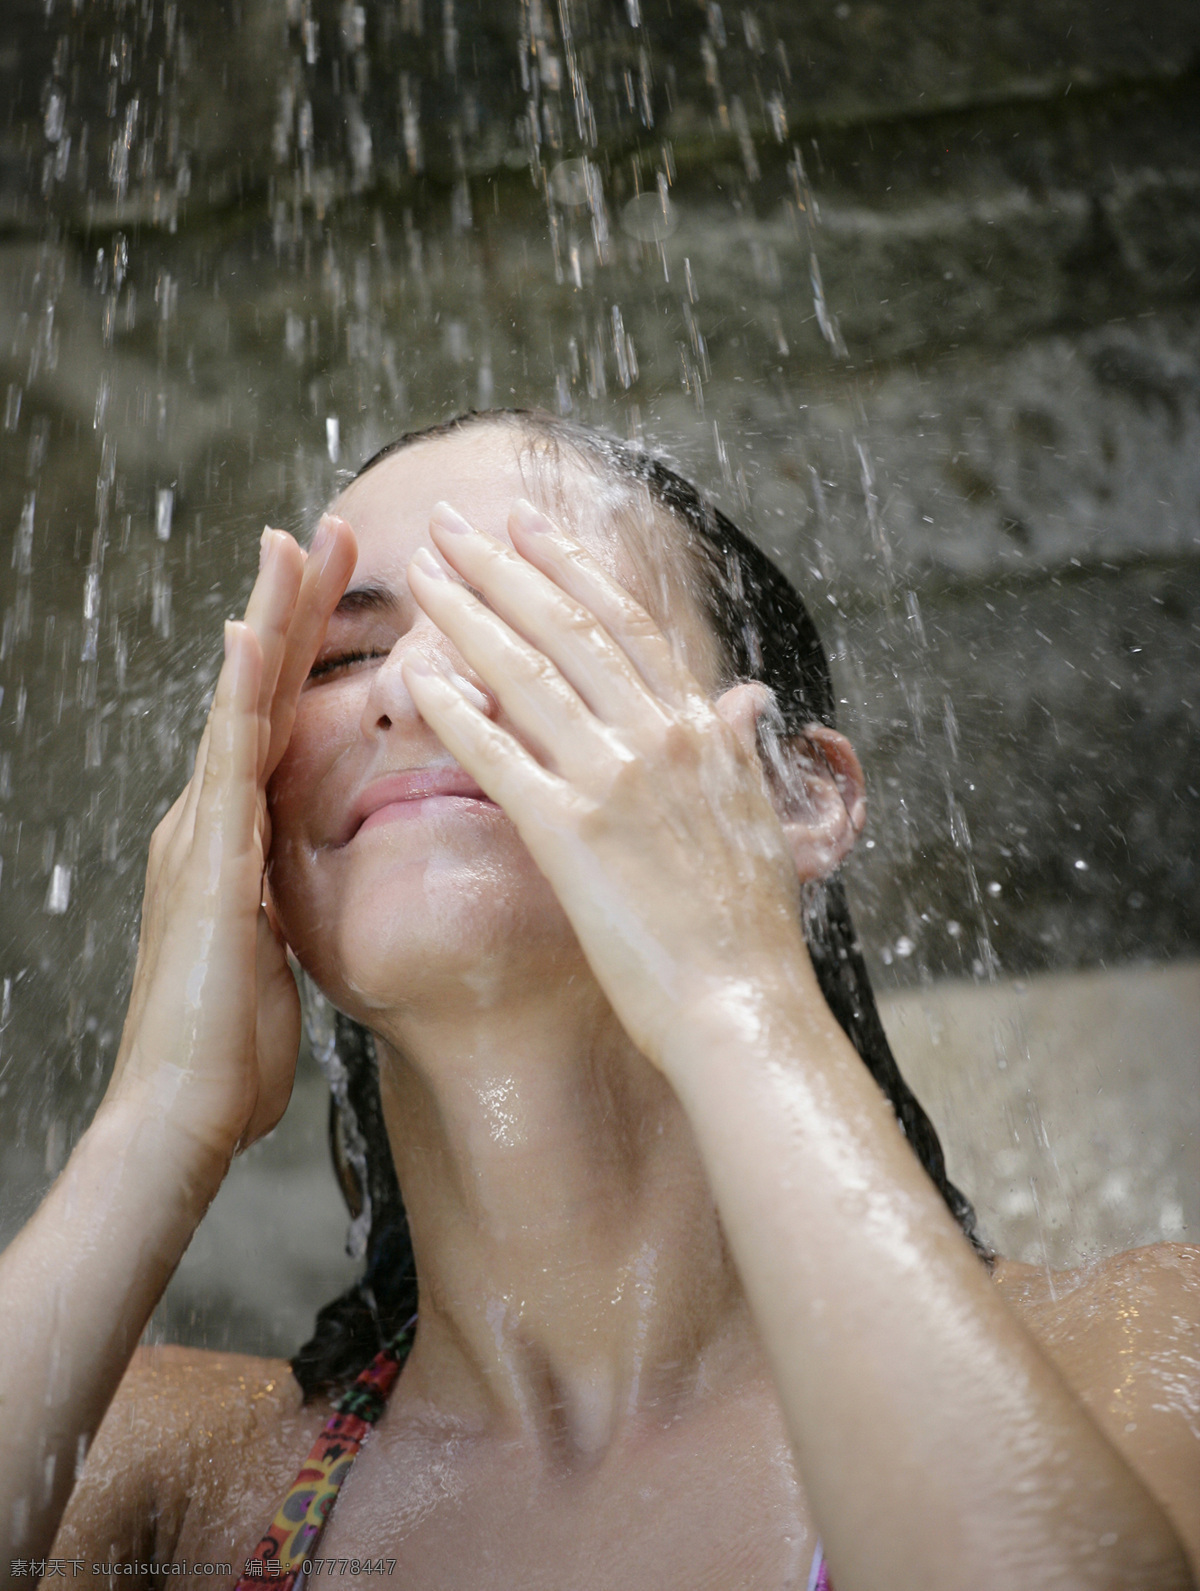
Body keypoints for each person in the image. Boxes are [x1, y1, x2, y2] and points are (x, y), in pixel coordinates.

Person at [1, 408, 1196, 1587]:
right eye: (339, 659)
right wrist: (157, 1121)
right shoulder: (155, 1474)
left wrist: (736, 994)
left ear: (794, 795)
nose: (412, 690)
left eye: (531, 625)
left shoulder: (1141, 1355)